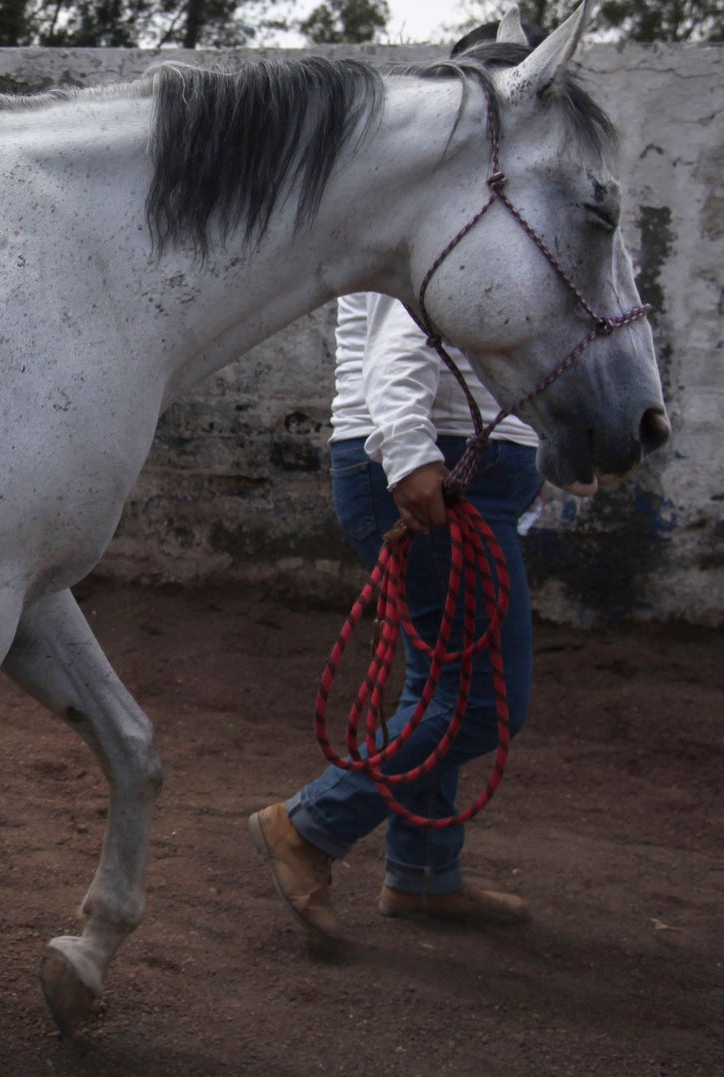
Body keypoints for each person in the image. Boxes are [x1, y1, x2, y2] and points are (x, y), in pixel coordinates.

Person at [247, 19, 553, 942]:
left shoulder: (471, 200)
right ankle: (308, 825)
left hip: (458, 467)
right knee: (487, 701)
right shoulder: (450, 201)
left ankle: (423, 873)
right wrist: (413, 454)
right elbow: (401, 351)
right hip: (432, 467)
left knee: (441, 684)